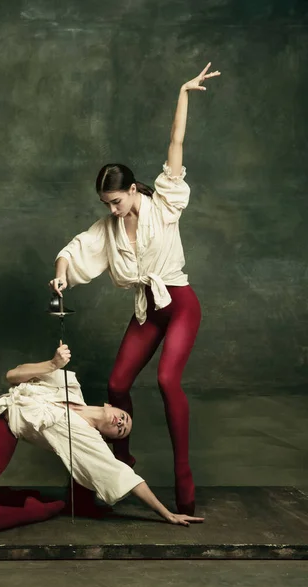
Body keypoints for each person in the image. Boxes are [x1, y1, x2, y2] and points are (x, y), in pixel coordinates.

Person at [50, 63, 221, 515]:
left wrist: (183, 92)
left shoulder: (164, 202)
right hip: (148, 310)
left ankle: (184, 478)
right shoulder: (107, 229)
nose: (113, 208)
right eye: (106, 204)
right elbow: (73, 248)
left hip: (180, 303)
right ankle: (123, 462)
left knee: (167, 380)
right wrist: (61, 271)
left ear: (131, 190)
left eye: (117, 201)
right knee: (117, 382)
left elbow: (175, 143)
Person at [0, 343, 204, 537]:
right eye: (123, 417)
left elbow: (123, 476)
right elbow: (12, 375)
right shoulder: (68, 384)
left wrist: (165, 513)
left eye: (121, 430)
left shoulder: (86, 438)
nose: (120, 423)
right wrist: (52, 363)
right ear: (110, 406)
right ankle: (1, 495)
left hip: (0, 436)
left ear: (107, 436)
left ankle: (36, 508)